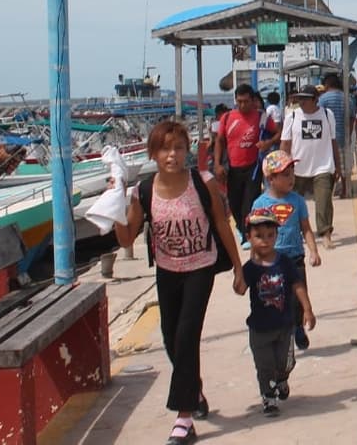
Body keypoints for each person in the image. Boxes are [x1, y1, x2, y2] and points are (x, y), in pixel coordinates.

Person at [113, 120, 245, 445]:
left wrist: (239, 269)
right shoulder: (143, 191)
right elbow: (127, 236)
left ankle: (183, 418)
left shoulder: (203, 182)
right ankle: (194, 389)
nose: (172, 155)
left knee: (187, 336)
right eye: (164, 149)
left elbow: (221, 223)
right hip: (167, 270)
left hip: (200, 267)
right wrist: (114, 209)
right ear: (153, 153)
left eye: (178, 148)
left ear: (188, 150)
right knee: (171, 339)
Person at [239, 208, 315, 417]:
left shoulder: (284, 262)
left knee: (285, 363)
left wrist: (307, 309)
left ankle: (282, 379)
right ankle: (269, 397)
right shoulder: (250, 268)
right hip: (259, 329)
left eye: (270, 235)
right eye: (258, 236)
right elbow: (240, 289)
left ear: (276, 235)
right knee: (264, 365)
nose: (265, 240)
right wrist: (238, 270)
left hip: (284, 325)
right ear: (249, 238)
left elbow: (297, 285)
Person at [251, 151, 322, 352]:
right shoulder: (260, 205)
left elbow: (306, 228)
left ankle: (298, 326)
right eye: (285, 174)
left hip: (295, 258)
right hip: (271, 261)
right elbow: (255, 236)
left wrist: (313, 251)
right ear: (271, 179)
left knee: (299, 296)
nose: (291, 178)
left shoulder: (297, 201)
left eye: (292, 173)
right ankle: (282, 333)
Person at [214, 84, 278, 245]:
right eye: (239, 101)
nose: (243, 105)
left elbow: (279, 132)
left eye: (246, 101)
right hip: (233, 169)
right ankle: (242, 227)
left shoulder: (261, 117)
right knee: (234, 202)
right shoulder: (227, 118)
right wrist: (217, 164)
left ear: (253, 100)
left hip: (254, 168)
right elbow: (219, 141)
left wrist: (268, 143)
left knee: (249, 202)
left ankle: (246, 234)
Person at [280, 85, 342, 250]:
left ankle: (325, 233)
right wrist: (282, 167)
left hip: (322, 166)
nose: (301, 102)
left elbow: (333, 141)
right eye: (299, 98)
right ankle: (294, 232)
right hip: (297, 169)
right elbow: (285, 143)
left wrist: (338, 165)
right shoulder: (291, 116)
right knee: (292, 203)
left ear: (315, 100)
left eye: (305, 99)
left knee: (324, 202)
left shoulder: (328, 115)